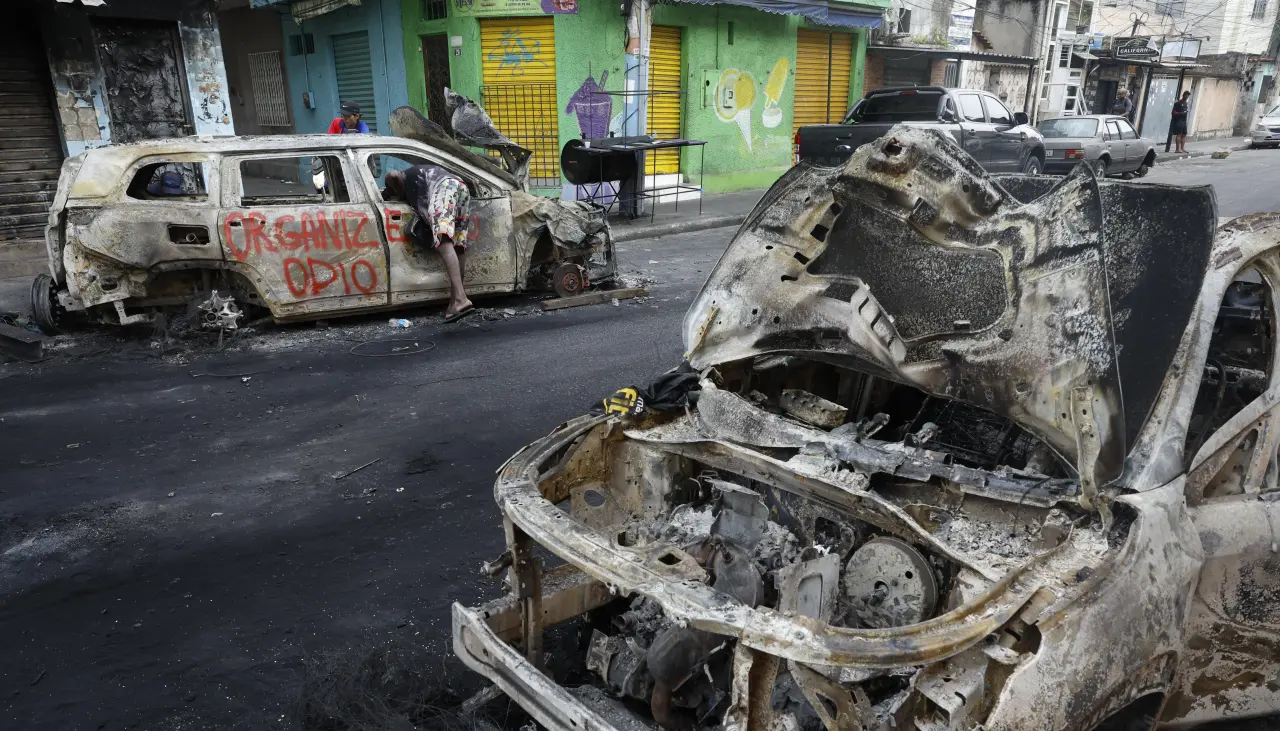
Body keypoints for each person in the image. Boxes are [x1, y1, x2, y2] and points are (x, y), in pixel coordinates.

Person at [384, 165, 475, 322]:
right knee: (458, 246)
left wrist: (397, 191)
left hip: (444, 188)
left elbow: (392, 174)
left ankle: (461, 299)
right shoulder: (420, 186)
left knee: (443, 240)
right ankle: (455, 303)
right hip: (460, 187)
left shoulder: (404, 179)